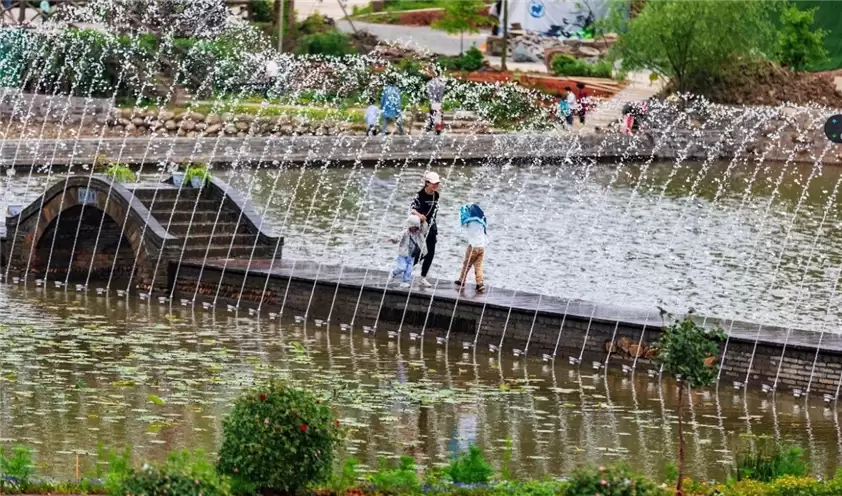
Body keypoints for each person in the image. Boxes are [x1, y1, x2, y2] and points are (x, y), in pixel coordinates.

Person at [410, 171, 441, 288]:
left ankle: (422, 277)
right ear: (427, 183)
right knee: (422, 251)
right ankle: (408, 266)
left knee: (430, 253)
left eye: (437, 183)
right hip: (421, 227)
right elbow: (412, 209)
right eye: (433, 183)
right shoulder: (420, 195)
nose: (436, 186)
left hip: (431, 227)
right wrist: (419, 215)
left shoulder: (436, 195)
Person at [387, 215, 429, 288]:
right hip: (403, 254)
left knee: (409, 269)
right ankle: (393, 273)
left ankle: (405, 281)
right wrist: (393, 239)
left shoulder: (419, 234)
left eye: (416, 227)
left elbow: (425, 228)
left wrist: (424, 221)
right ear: (409, 226)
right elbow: (398, 236)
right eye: (413, 227)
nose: (414, 229)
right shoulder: (405, 233)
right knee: (402, 267)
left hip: (412, 255)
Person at [454, 203, 487, 292]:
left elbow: (463, 223)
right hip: (481, 247)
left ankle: (461, 280)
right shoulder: (481, 221)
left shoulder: (469, 222)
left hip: (473, 247)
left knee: (467, 264)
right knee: (478, 266)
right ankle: (480, 283)